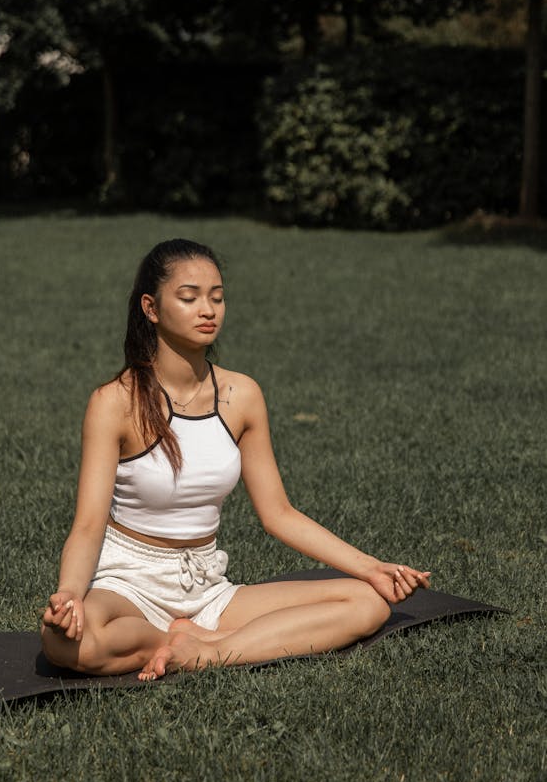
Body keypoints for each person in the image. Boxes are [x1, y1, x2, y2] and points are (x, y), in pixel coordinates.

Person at [41, 238, 430, 681]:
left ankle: (204, 652)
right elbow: (89, 525)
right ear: (151, 308)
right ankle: (173, 638)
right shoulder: (114, 402)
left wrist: (371, 568)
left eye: (217, 297)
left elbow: (279, 514)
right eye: (189, 298)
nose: (208, 310)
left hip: (208, 588)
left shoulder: (241, 395)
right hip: (129, 583)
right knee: (62, 641)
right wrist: (70, 594)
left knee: (366, 604)